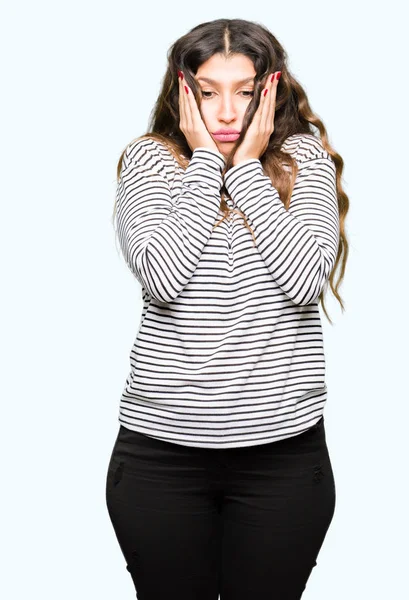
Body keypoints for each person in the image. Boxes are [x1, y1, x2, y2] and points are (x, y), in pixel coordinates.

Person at [105, 17, 349, 600]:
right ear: (182, 90)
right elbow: (162, 278)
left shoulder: (302, 161)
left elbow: (305, 279)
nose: (226, 113)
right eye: (208, 92)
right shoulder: (150, 162)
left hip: (283, 462)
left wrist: (245, 170)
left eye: (244, 92)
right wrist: (208, 163)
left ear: (272, 90)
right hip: (160, 461)